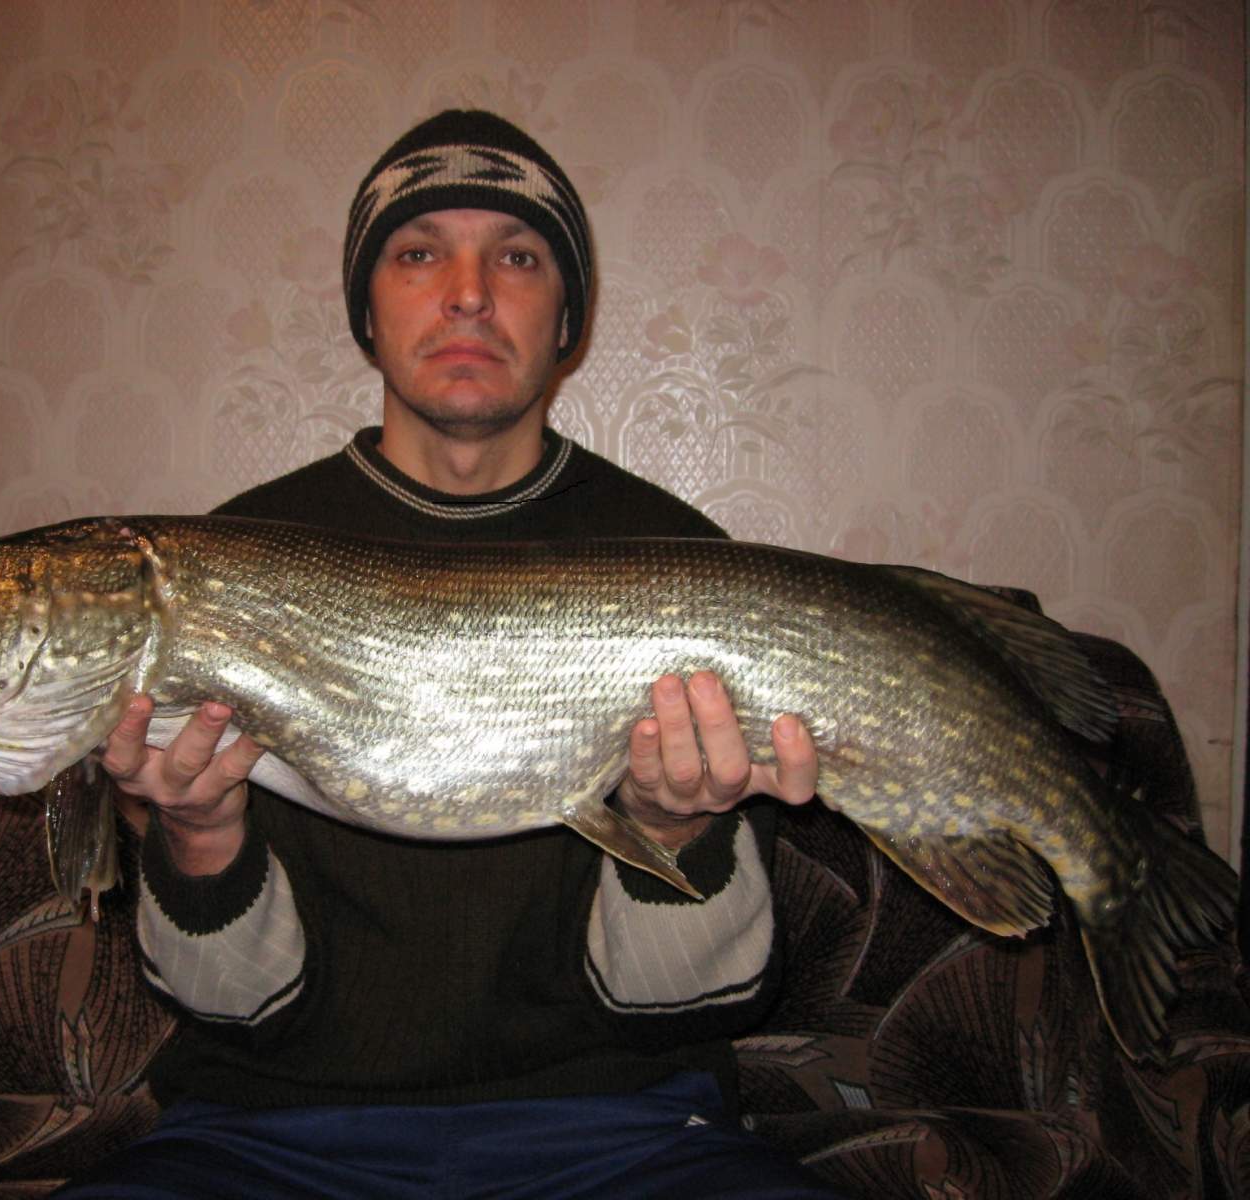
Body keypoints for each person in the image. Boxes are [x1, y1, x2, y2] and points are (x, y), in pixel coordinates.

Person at [53, 110, 844, 1199]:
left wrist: (673, 831)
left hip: (621, 1129)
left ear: (567, 317)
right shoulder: (225, 562)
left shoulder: (682, 564)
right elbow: (228, 1010)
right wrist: (197, 835)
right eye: (419, 253)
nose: (468, 293)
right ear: (365, 312)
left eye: (516, 258)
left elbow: (697, 1005)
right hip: (268, 1130)